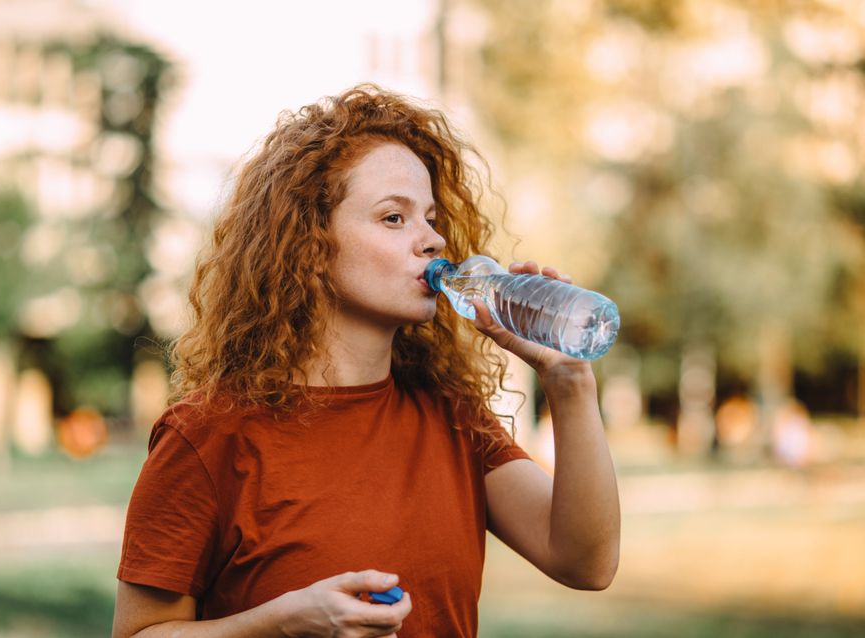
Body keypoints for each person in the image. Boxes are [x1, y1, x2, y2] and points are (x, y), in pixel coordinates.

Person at [112, 84, 620, 638]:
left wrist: (568, 382)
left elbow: (585, 563)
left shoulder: (452, 416)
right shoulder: (209, 434)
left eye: (429, 217)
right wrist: (281, 624)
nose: (432, 240)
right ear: (309, 248)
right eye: (393, 219)